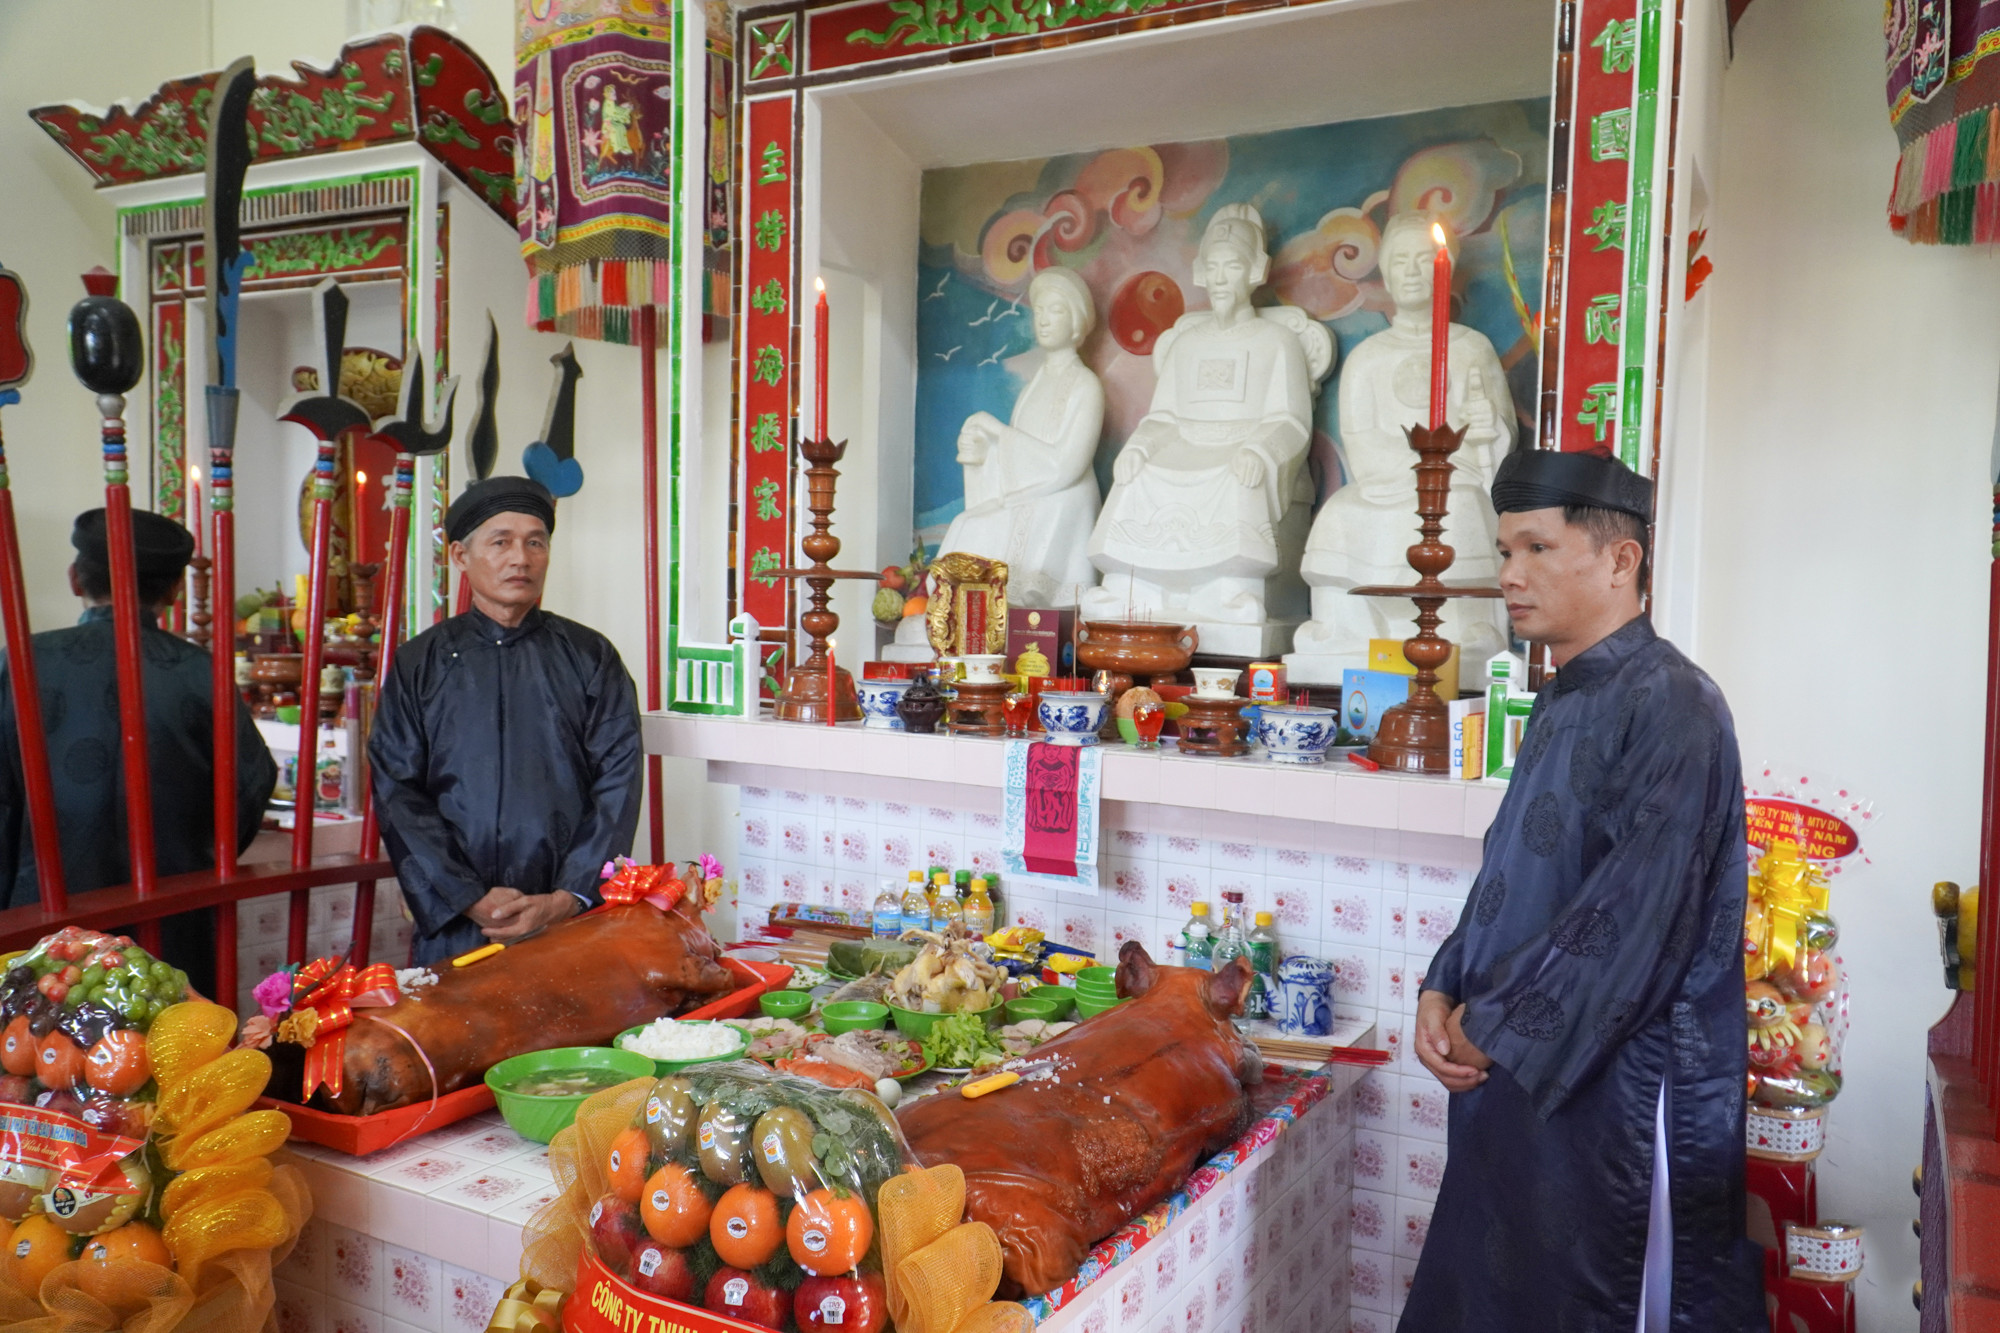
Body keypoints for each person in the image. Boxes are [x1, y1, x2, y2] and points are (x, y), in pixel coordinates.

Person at [1401, 449, 1763, 1333]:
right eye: (1504, 550)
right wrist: (1443, 982)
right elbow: (1508, 873)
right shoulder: (1564, 694)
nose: (1509, 576)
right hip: (1516, 1065)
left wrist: (1488, 1028)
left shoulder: (1676, 702)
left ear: (1619, 559)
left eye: (1535, 548)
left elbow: (1635, 914)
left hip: (1616, 1096)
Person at [0, 509, 277, 998]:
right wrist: (201, 857)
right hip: (168, 919)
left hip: (42, 920)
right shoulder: (199, 671)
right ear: (173, 593)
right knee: (170, 1057)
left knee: (41, 1057)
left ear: (74, 579)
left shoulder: (21, 662)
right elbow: (249, 784)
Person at [369, 476, 641, 965]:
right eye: (501, 542)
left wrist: (568, 897)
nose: (522, 558)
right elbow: (397, 791)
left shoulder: (589, 656)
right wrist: (467, 896)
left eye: (535, 542)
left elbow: (617, 785)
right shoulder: (419, 663)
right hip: (459, 921)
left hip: (567, 922)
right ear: (459, 556)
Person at [1081, 203, 1329, 632]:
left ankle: (1231, 590)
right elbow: (1163, 418)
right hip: (1182, 446)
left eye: (1231, 266)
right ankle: (1128, 588)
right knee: (1137, 472)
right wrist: (1140, 445)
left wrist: (1260, 449)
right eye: (1211, 267)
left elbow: (1289, 421)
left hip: (1241, 450)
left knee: (1238, 474)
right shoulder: (1187, 343)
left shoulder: (1276, 341)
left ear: (1255, 270)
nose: (1219, 278)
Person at [938, 265, 1103, 609]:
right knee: (967, 522)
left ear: (1076, 320)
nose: (1043, 320)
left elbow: (1067, 465)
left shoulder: (1086, 385)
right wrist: (981, 450)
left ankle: (980, 611)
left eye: (1055, 310)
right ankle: (954, 614)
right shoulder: (1034, 386)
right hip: (1031, 493)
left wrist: (997, 431)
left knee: (977, 527)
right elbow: (1012, 452)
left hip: (1063, 499)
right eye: (1039, 311)